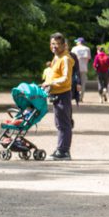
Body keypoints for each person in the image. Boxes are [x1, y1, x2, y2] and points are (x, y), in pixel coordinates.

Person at [41, 32, 74, 160]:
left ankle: (63, 151)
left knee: (64, 123)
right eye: (52, 43)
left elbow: (66, 78)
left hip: (63, 94)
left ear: (64, 45)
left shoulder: (65, 58)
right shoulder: (56, 57)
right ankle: (61, 148)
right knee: (59, 123)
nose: (54, 46)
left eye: (57, 44)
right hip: (55, 93)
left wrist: (51, 82)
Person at [71, 37, 91, 103]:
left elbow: (71, 58)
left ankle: (75, 95)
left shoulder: (74, 48)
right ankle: (81, 97)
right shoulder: (87, 49)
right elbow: (88, 59)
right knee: (83, 83)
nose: (76, 43)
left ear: (79, 42)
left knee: (75, 82)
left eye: (77, 41)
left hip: (75, 68)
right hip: (84, 68)